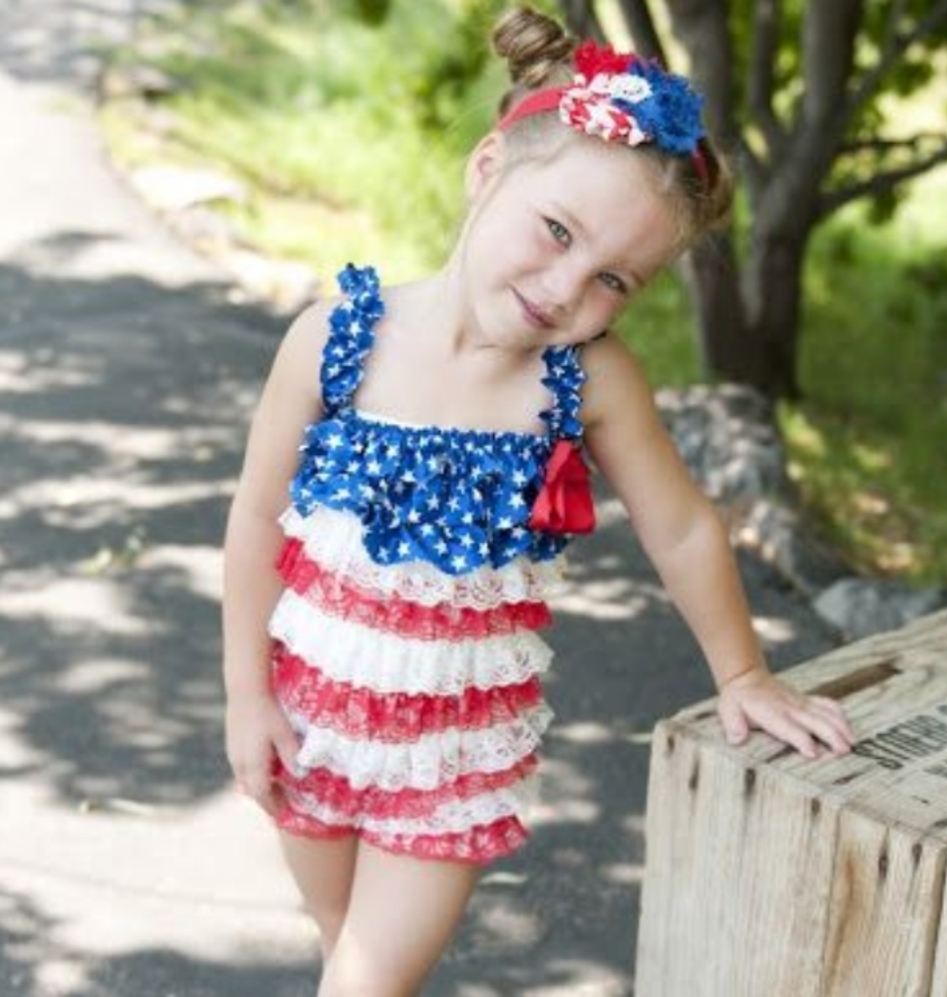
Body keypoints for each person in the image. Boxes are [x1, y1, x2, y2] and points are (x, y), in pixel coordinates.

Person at [223, 6, 855, 994]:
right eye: (556, 231)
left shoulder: (585, 381)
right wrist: (246, 695)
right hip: (311, 725)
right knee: (339, 941)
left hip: (451, 758)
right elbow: (258, 518)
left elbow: (681, 525)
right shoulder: (335, 340)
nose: (565, 288)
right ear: (488, 170)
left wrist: (744, 674)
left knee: (363, 982)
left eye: (613, 280)